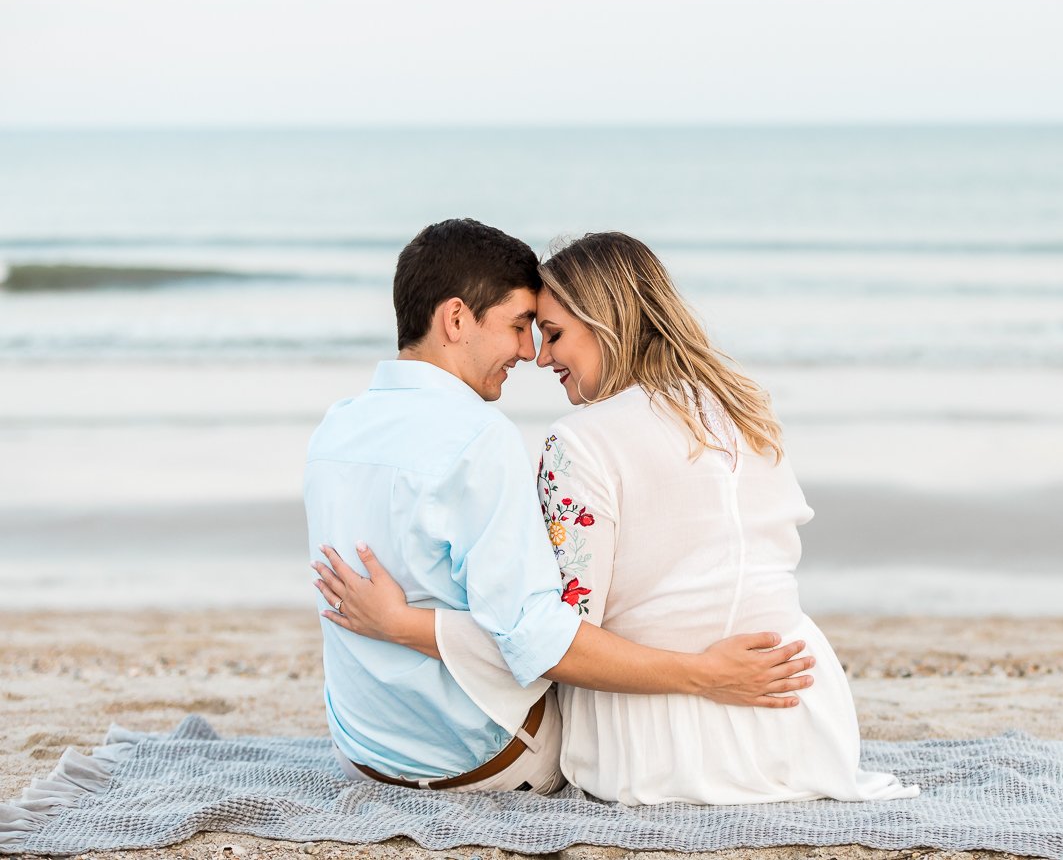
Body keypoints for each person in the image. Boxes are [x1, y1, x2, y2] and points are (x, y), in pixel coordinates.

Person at [318, 231, 918, 805]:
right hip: (806, 721)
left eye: (549, 332)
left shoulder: (573, 441)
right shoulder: (745, 409)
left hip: (656, 747)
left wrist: (403, 625)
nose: (537, 353)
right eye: (526, 328)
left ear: (605, 323)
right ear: (456, 320)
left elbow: (551, 643)